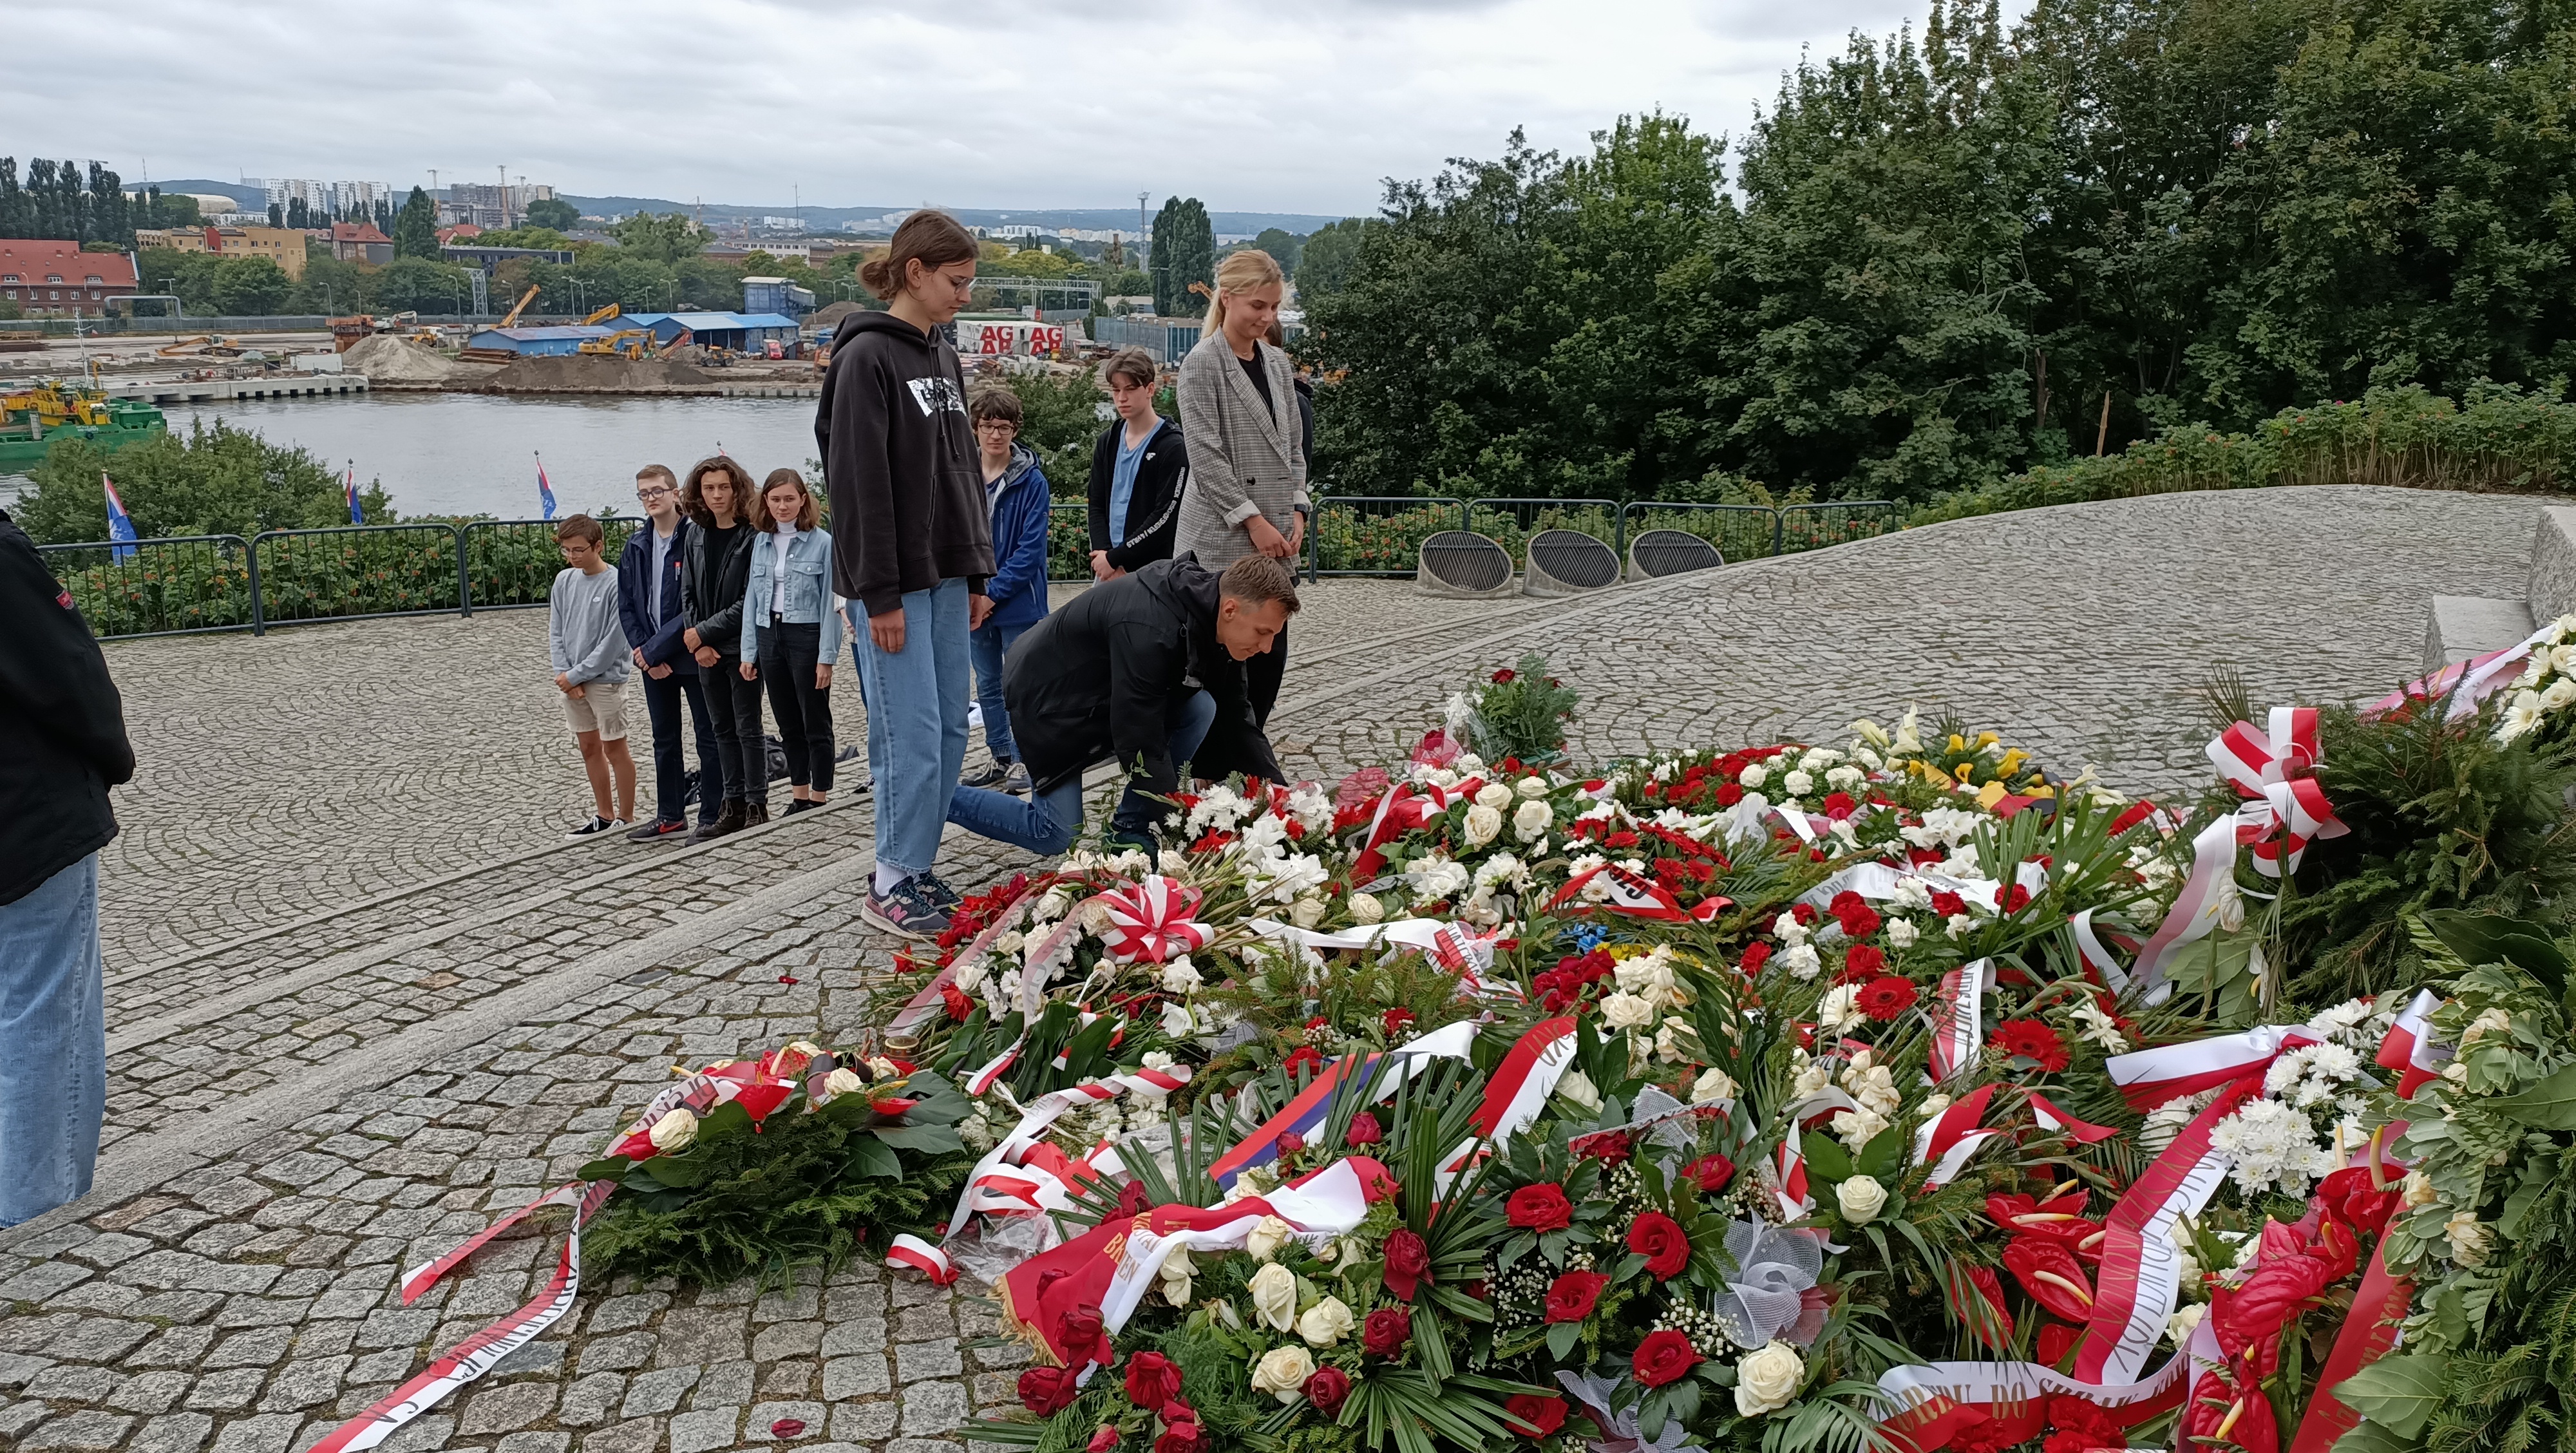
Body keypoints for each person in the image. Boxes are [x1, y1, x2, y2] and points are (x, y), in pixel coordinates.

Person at [817, 210, 996, 940]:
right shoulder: (866, 360)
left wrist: (978, 570)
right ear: (915, 272)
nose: (965, 295)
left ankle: (918, 866)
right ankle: (889, 877)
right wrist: (877, 592)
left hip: (949, 577)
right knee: (909, 735)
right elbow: (857, 485)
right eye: (956, 282)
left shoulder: (943, 357)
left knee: (951, 728)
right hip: (892, 587)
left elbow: (959, 476)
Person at [947, 553, 1296, 859]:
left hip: (1106, 691)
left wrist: (1282, 798)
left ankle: (1127, 829)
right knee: (1055, 834)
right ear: (1232, 609)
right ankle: (936, 799)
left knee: (1202, 707)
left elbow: (1237, 713)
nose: (1266, 647)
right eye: (1263, 632)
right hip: (1048, 699)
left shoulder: (1215, 615)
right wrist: (1185, 827)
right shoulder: (1151, 626)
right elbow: (1138, 738)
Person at [0, 506, 133, 1226]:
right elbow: (67, 675)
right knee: (40, 1011)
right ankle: (37, 1212)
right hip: (21, 822)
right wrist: (112, 757)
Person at [1174, 247, 1305, 728]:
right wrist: (1251, 520)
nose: (1266, 317)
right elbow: (1205, 457)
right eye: (1258, 306)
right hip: (1221, 541)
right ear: (1227, 299)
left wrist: (1297, 509)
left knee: (1267, 671)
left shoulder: (1276, 362)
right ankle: (1211, 787)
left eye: (1273, 307)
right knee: (1218, 685)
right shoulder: (1201, 363)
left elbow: (1295, 447)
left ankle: (1244, 780)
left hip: (1276, 540)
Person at [617, 464, 722, 841]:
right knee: (664, 738)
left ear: (676, 493)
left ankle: (712, 815)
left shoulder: (695, 538)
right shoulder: (636, 544)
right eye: (644, 493)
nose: (651, 499)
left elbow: (693, 605)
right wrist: (642, 652)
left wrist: (656, 649)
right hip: (651, 659)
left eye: (658, 491)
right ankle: (670, 815)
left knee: (707, 735)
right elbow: (627, 603)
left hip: (690, 653)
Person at [959, 386, 1054, 796]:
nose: (995, 435)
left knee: (1023, 686)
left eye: (1003, 427)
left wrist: (991, 593)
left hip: (1016, 601)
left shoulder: (1032, 481)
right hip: (972, 600)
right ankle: (1000, 756)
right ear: (975, 428)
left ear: (1015, 430)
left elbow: (1030, 550)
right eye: (987, 426)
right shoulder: (960, 475)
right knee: (988, 685)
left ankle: (1025, 760)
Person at [739, 467, 842, 815]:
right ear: (765, 502)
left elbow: (833, 602)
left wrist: (826, 656)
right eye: (775, 499)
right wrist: (748, 651)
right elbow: (753, 598)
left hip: (807, 633)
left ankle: (820, 794)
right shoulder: (761, 542)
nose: (782, 506)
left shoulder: (823, 542)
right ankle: (799, 793)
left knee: (814, 717)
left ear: (802, 500)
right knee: (786, 719)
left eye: (789, 499)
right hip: (770, 633)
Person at [679, 454, 764, 839]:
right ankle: (731, 804)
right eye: (709, 488)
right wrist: (697, 641)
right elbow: (687, 594)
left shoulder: (752, 535)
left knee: (748, 726)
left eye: (723, 487)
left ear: (736, 490)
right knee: (720, 729)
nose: (716, 495)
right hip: (706, 650)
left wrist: (704, 633)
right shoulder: (694, 532)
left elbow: (750, 600)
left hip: (741, 646)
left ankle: (756, 804)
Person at [549, 513, 635, 836]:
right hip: (571, 680)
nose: (572, 557)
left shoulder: (616, 583)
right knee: (588, 748)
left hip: (606, 680)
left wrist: (577, 674)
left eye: (578, 550)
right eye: (566, 550)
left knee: (614, 749)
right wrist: (564, 674)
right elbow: (556, 630)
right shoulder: (564, 581)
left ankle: (625, 816)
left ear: (598, 546)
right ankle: (603, 813)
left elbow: (615, 641)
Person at [1085, 346, 1188, 582]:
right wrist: (1105, 556)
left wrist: (1117, 559)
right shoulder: (1107, 441)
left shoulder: (1172, 446)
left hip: (1153, 574)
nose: (1122, 398)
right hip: (1108, 570)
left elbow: (1165, 516)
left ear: (1150, 389)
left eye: (1130, 389)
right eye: (1116, 390)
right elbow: (1096, 504)